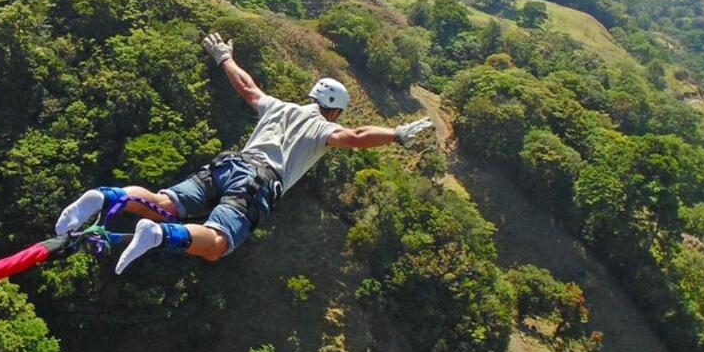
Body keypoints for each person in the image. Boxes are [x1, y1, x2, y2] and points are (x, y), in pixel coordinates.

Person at [55, 32, 435, 274]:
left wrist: (224, 57)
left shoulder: (279, 106)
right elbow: (355, 136)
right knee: (217, 244)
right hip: (257, 183)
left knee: (163, 201)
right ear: (334, 110)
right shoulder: (324, 127)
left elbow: (248, 87)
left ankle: (103, 197)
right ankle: (158, 235)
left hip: (227, 164)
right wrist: (396, 134)